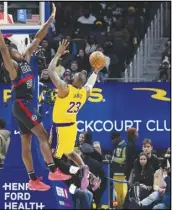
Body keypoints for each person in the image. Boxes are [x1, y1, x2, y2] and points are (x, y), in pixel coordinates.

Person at [0, 3, 70, 191]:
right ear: (10, 57)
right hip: (22, 104)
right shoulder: (13, 68)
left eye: (16, 49)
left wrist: (49, 21)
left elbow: (37, 38)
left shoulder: (26, 57)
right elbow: (3, 50)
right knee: (43, 135)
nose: (16, 50)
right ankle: (52, 170)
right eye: (13, 50)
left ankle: (33, 180)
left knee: (26, 142)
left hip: (21, 106)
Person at [47, 39, 103, 189]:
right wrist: (95, 71)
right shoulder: (83, 93)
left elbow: (50, 70)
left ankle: (77, 171)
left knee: (53, 158)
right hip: (72, 126)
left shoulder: (65, 89)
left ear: (74, 78)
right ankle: (85, 169)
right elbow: (90, 83)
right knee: (69, 152)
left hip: (60, 128)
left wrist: (58, 53)